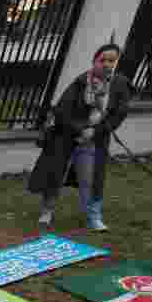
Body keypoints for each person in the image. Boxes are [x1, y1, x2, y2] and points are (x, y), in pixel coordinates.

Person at [28, 43, 131, 232]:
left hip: (95, 140)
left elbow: (119, 113)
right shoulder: (82, 81)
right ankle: (47, 212)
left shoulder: (120, 84)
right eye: (103, 60)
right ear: (95, 61)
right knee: (55, 175)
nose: (107, 64)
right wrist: (80, 129)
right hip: (67, 137)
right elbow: (61, 111)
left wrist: (96, 131)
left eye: (112, 60)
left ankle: (94, 217)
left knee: (91, 179)